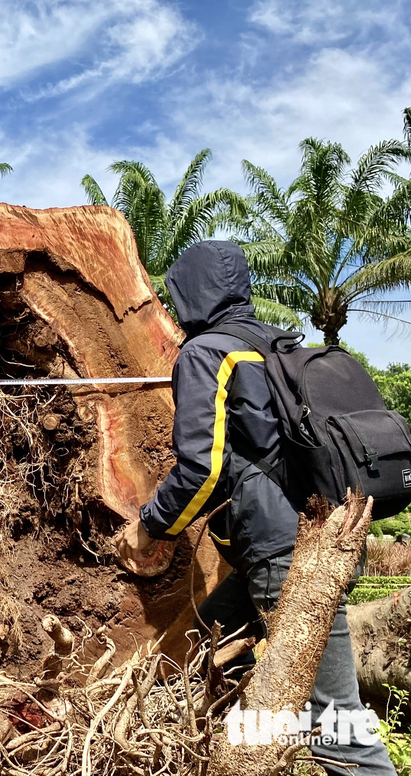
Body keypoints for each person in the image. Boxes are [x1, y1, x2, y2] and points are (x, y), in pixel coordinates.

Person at [117, 240, 395, 776]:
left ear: (191, 292)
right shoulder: (273, 345)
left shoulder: (206, 352)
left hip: (286, 558)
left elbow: (201, 467)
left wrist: (150, 527)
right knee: (195, 653)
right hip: (306, 544)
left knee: (340, 731)